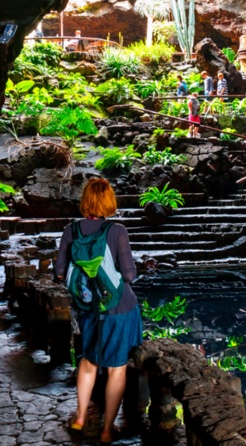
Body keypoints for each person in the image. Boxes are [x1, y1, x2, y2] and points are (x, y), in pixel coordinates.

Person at [55, 178, 143, 445]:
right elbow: (129, 274)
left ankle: (80, 418)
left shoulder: (71, 230)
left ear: (85, 201)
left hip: (88, 308)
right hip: (119, 308)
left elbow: (60, 273)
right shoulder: (116, 230)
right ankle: (107, 430)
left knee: (89, 361)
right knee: (117, 368)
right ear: (108, 201)